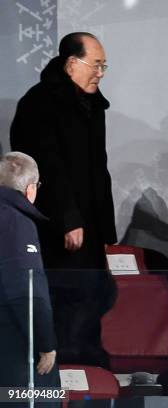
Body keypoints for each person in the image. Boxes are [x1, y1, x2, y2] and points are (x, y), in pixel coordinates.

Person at [10, 32, 117, 367]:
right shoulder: (39, 103)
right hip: (57, 225)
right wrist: (69, 219)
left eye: (104, 66)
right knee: (66, 296)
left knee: (92, 295)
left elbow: (98, 168)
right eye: (96, 65)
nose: (100, 72)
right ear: (72, 64)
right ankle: (62, 374)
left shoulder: (92, 103)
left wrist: (105, 228)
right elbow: (47, 169)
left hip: (89, 224)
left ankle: (89, 370)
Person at [0, 152, 60, 407]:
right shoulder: (16, 222)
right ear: (31, 188)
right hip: (16, 344)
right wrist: (46, 344)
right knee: (45, 398)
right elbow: (27, 290)